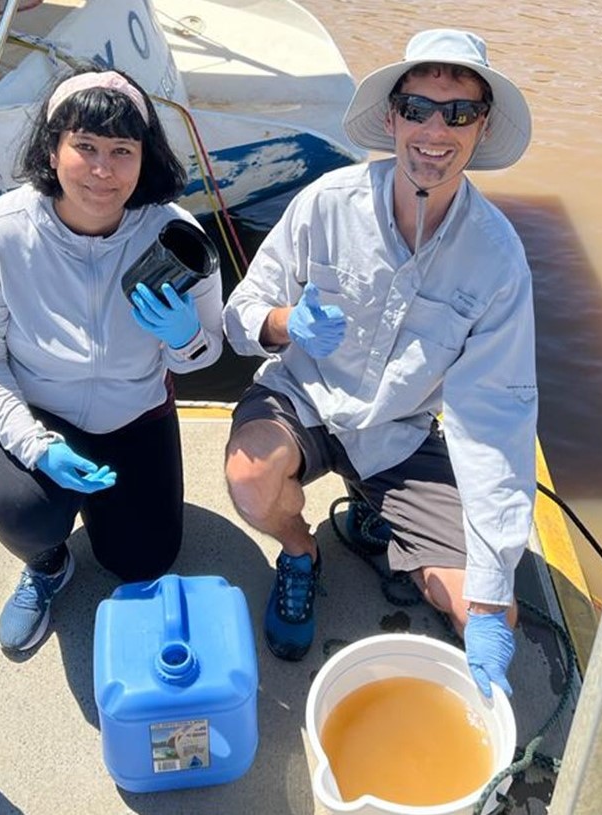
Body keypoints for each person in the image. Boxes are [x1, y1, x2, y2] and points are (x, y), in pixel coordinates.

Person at [222, 29, 537, 698]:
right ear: (390, 117)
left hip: (399, 429)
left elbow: (495, 420)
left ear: (481, 129)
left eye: (458, 113)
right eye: (417, 106)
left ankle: (385, 517)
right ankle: (302, 552)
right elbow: (240, 312)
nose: (434, 128)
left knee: (488, 610)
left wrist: (486, 594)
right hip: (303, 397)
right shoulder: (324, 202)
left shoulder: (499, 258)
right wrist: (284, 322)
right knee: (251, 478)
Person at [0, 65, 223, 654]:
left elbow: (206, 353)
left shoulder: (177, 235)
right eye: (85, 147)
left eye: (122, 150)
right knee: (24, 513)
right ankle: (47, 566)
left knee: (144, 560)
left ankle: (111, 522)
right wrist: (33, 442)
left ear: (146, 157)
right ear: (52, 149)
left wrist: (183, 338)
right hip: (34, 402)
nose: (103, 169)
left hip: (134, 411)